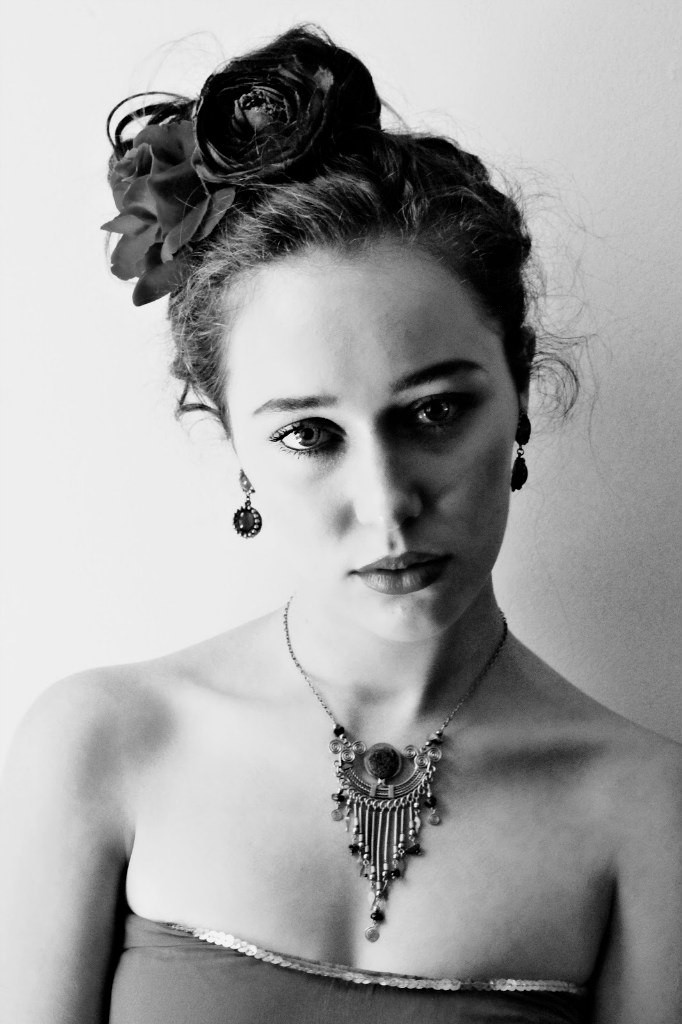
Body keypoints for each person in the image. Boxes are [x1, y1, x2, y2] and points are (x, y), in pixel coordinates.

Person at [0, 24, 680, 1024]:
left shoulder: (648, 812)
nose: (387, 499)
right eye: (310, 434)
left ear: (520, 393)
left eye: (435, 412)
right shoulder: (101, 743)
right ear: (232, 440)